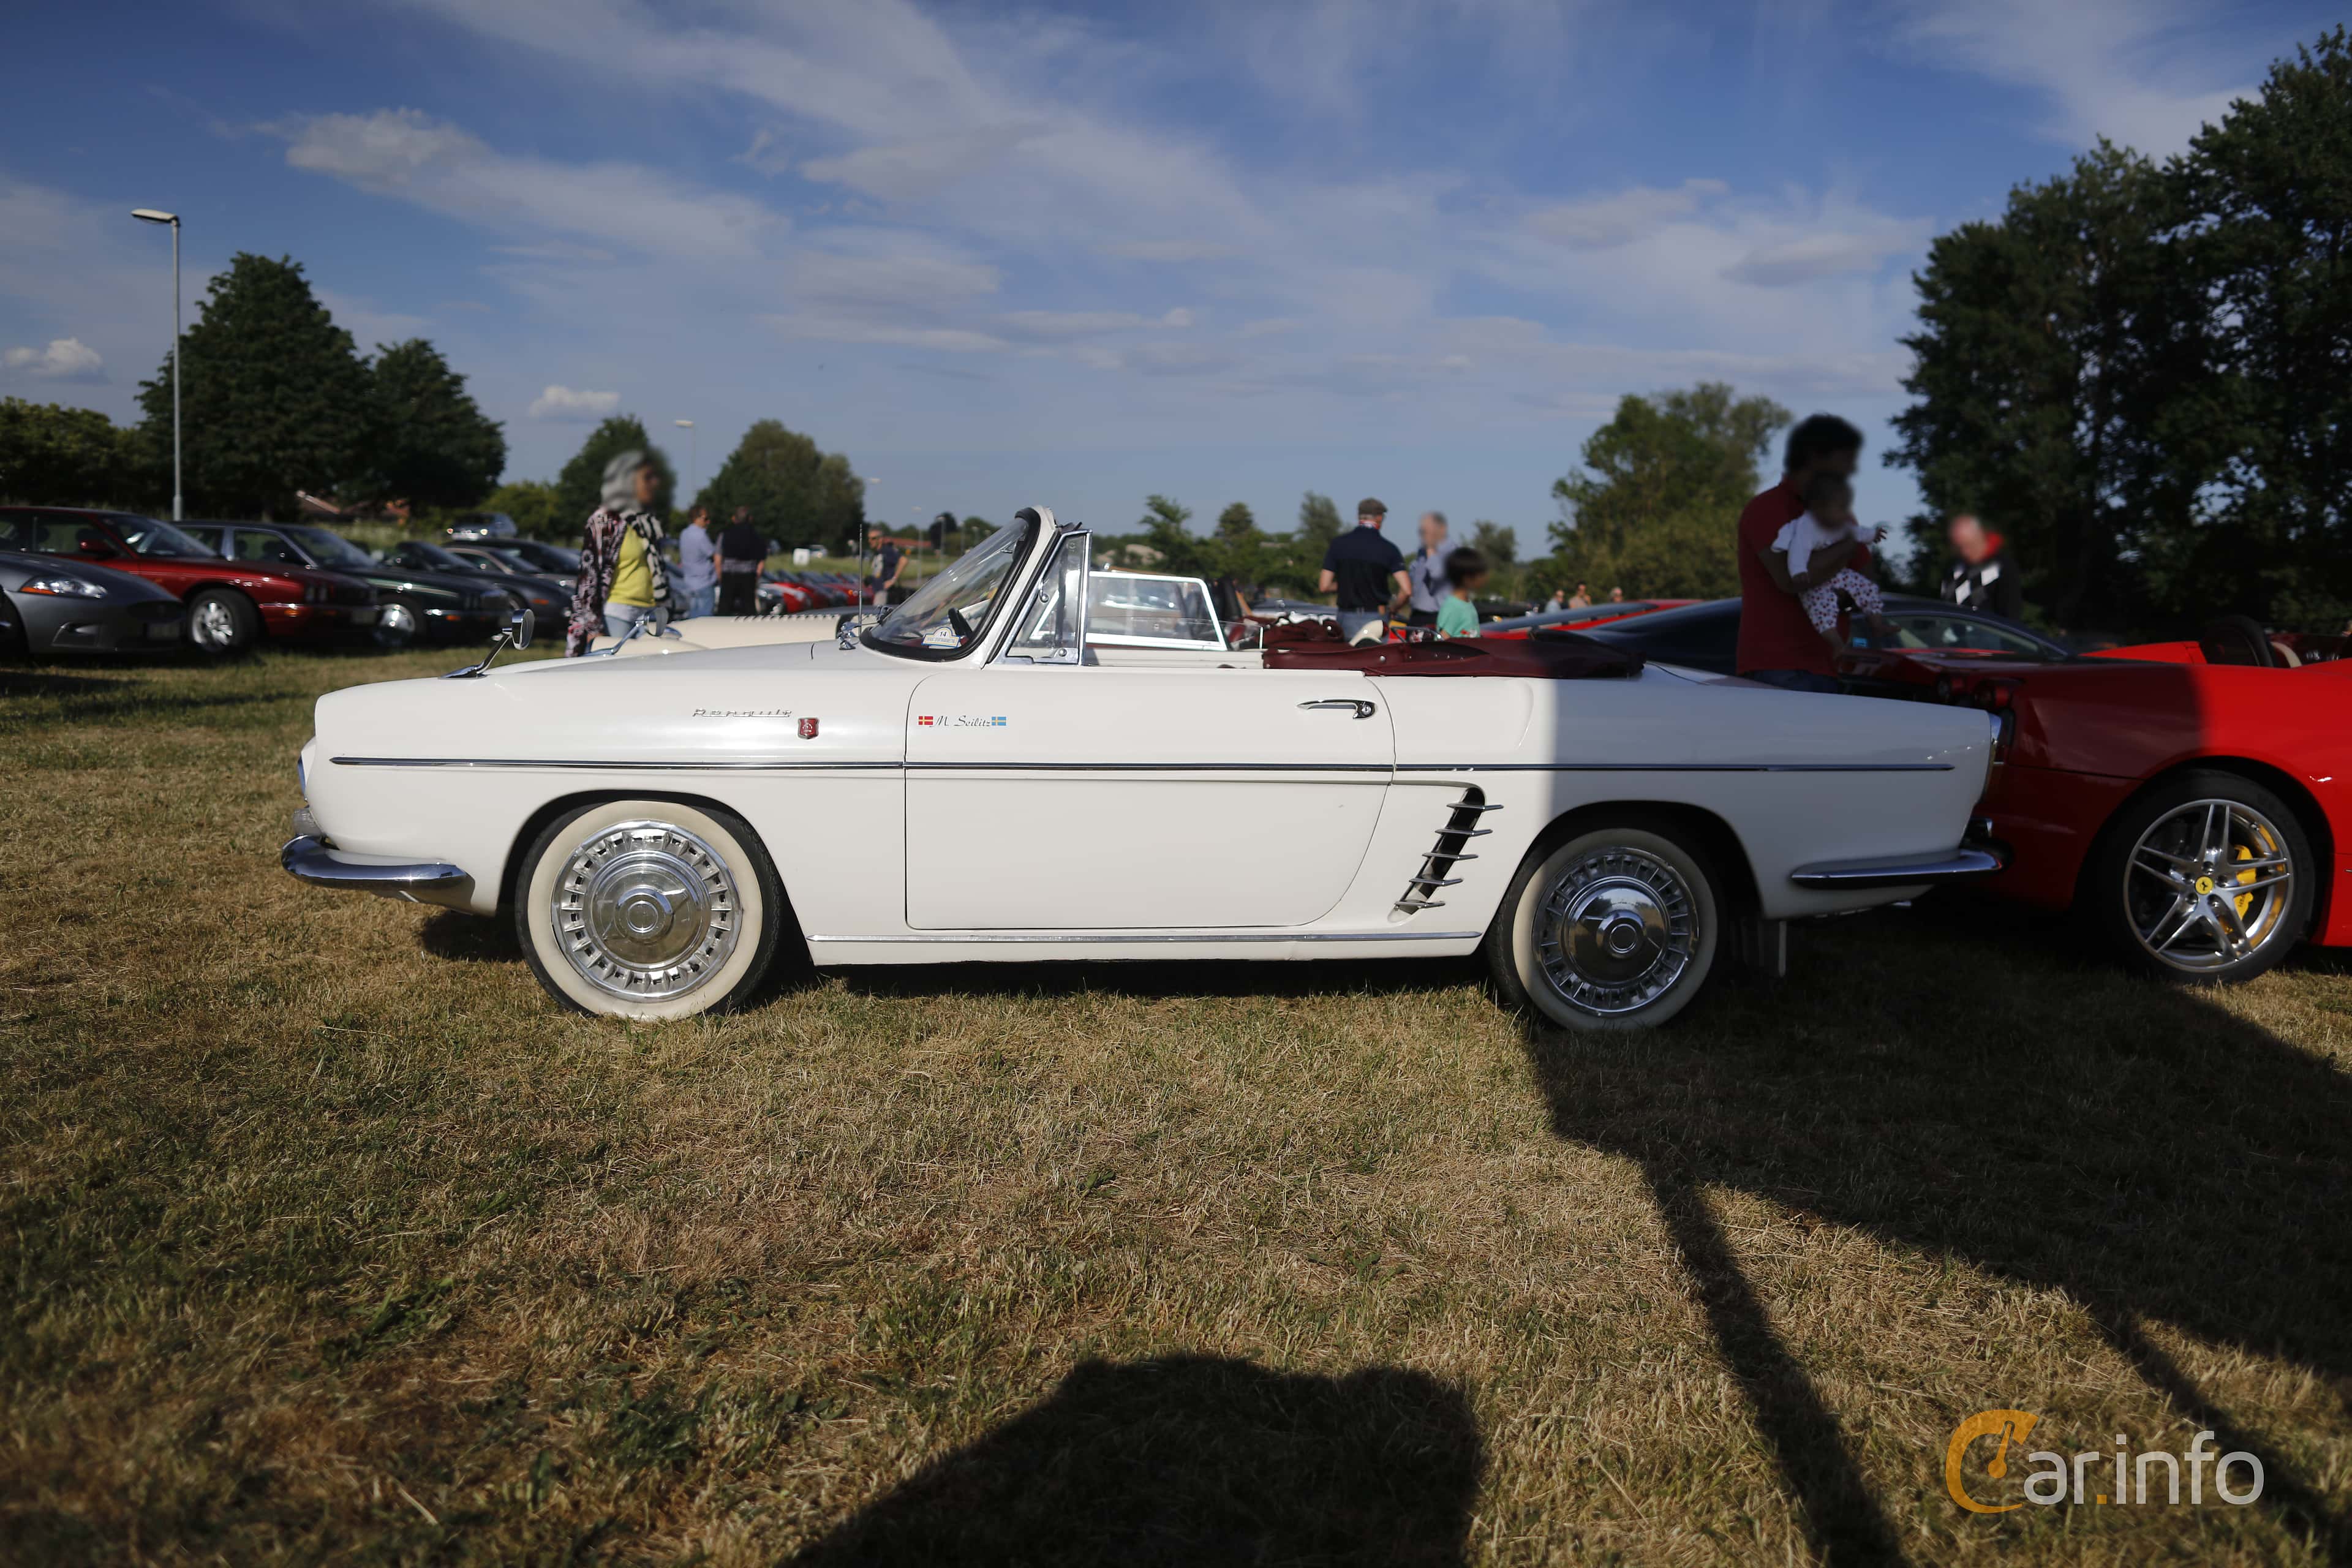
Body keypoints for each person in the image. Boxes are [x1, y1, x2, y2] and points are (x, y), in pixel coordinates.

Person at [1736, 413, 1866, 692]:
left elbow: (1867, 579)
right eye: (1843, 461)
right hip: (1781, 667)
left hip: (1828, 667)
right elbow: (1790, 579)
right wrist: (1848, 544)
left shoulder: (1840, 515)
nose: (1850, 471)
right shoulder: (1767, 508)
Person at [1766, 472, 1890, 656]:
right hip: (1811, 576)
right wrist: (1799, 571)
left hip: (1833, 572)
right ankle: (1837, 645)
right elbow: (1798, 550)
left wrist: (1872, 535)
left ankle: (1877, 623)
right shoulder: (1807, 525)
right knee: (1823, 608)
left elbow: (1853, 532)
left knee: (1865, 587)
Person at [565, 450, 670, 656]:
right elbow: (589, 578)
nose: (654, 484)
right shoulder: (604, 520)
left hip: (650, 613)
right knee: (614, 676)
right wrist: (594, 629)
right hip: (617, 613)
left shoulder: (647, 521)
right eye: (647, 478)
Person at [1318, 497, 1408, 643]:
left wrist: (1347, 584)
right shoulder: (1388, 548)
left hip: (1346, 616)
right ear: (1379, 518)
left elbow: (1324, 585)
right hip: (1376, 617)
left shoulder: (1339, 544)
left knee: (1345, 662)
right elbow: (1407, 590)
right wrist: (1394, 608)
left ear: (1359, 516)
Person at [1940, 513, 2024, 621]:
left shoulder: (2003, 568)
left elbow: (2011, 617)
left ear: (1980, 537)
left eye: (1969, 545)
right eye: (1959, 547)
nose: (1965, 552)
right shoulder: (1953, 568)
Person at [715, 507, 766, 616]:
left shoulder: (725, 534)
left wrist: (720, 575)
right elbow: (761, 562)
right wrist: (756, 577)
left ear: (734, 519)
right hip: (748, 575)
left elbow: (718, 557)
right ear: (750, 519)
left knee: (724, 611)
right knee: (749, 611)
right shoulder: (757, 536)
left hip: (729, 575)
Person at [1404, 511, 1450, 630]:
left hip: (1435, 616)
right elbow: (1412, 581)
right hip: (1417, 616)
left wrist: (1431, 547)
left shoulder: (1449, 551)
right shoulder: (1422, 553)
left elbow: (1437, 575)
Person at [677, 505, 717, 619]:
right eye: (706, 519)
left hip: (689, 583)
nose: (708, 522)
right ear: (697, 518)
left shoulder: (684, 534)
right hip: (704, 582)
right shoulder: (701, 535)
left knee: (692, 619)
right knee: (705, 620)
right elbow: (713, 554)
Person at [1436, 547, 1487, 638]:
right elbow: (1441, 642)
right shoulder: (1453, 607)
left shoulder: (1466, 603)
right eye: (1479, 575)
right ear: (1467, 578)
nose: (1483, 579)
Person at [865, 526, 905, 607]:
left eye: (873, 538)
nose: (870, 541)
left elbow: (904, 560)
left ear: (881, 539)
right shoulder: (877, 552)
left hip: (883, 592)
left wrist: (893, 580)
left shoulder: (887, 550)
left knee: (877, 615)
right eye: (869, 538)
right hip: (877, 591)